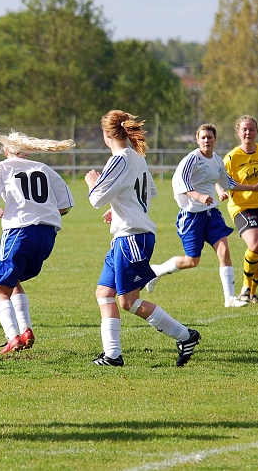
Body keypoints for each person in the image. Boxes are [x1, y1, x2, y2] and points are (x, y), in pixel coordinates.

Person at [86, 110, 200, 367]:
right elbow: (146, 193)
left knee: (128, 301)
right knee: (104, 293)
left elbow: (95, 198)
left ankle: (185, 335)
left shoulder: (119, 159)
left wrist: (92, 181)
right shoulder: (136, 157)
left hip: (132, 239)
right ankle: (112, 355)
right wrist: (116, 210)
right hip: (125, 236)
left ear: (106, 135)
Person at [145, 124, 258, 308]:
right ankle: (156, 271)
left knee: (224, 251)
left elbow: (228, 183)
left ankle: (229, 299)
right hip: (191, 217)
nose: (206, 140)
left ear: (215, 139)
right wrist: (200, 196)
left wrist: (253, 187)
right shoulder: (191, 160)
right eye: (203, 137)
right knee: (192, 261)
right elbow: (182, 185)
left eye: (209, 137)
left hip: (212, 214)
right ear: (197, 140)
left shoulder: (217, 160)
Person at [0, 130, 75, 354]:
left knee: (1, 289)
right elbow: (66, 205)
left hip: (19, 231)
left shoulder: (1, 168)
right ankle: (26, 330)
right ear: (28, 151)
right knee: (13, 281)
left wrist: (1, 213)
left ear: (6, 151)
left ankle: (12, 337)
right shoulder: (45, 169)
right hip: (47, 235)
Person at [222, 115, 258, 304]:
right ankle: (245, 288)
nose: (248, 132)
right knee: (255, 244)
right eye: (244, 129)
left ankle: (252, 292)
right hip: (242, 207)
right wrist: (220, 191)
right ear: (238, 132)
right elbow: (222, 180)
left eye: (251, 129)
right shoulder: (232, 157)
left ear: (257, 131)